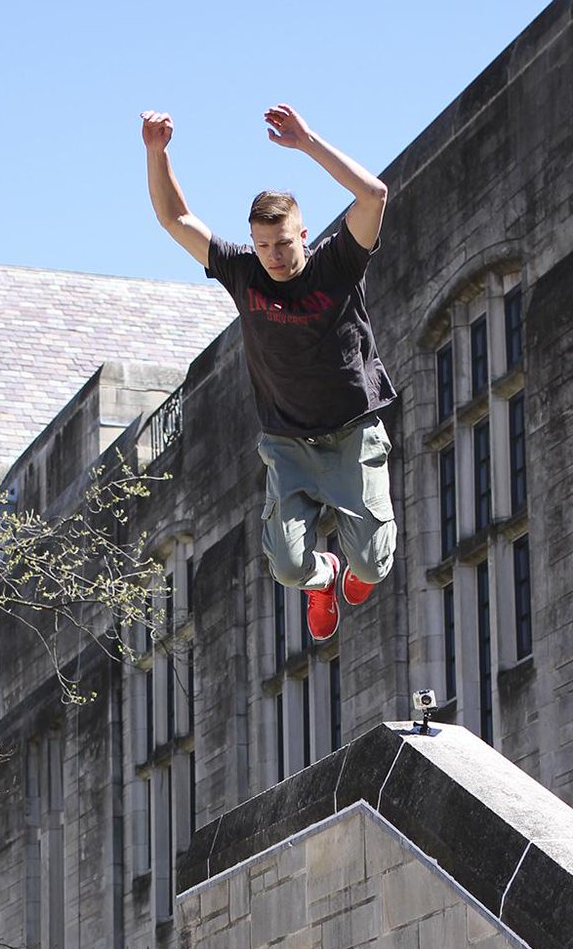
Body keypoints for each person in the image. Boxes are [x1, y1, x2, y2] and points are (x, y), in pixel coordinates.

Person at [140, 103, 397, 641]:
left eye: (283, 244)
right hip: (288, 443)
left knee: (373, 567)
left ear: (302, 236)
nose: (274, 257)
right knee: (285, 566)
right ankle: (324, 576)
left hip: (352, 432)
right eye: (263, 246)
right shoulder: (243, 272)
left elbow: (373, 195)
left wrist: (307, 142)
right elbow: (174, 220)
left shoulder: (337, 262)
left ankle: (352, 568)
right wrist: (156, 153)